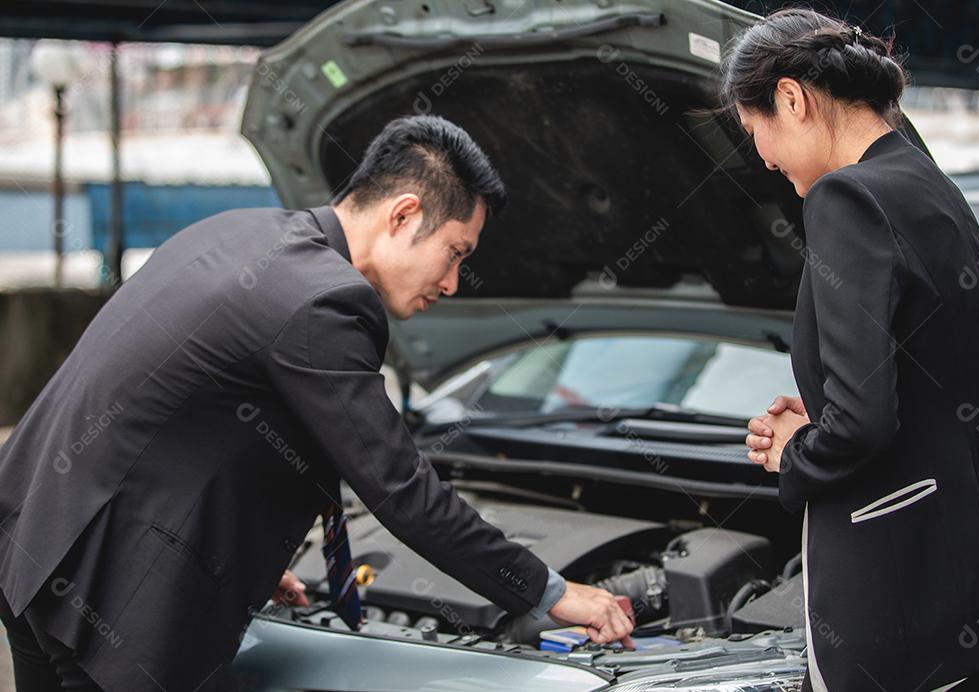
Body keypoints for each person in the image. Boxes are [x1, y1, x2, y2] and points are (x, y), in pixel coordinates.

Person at [0, 115, 634, 692]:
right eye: (455, 254)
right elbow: (401, 490)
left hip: (35, 546)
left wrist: (228, 548)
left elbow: (179, 417)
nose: (450, 283)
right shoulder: (324, 300)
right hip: (108, 596)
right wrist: (549, 592)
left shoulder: (242, 233)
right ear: (404, 214)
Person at [723, 9, 979, 692]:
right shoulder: (929, 184)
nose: (762, 158)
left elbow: (863, 425)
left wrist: (794, 448)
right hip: (971, 583)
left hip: (899, 596)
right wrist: (828, 398)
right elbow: (941, 376)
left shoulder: (844, 198)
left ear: (791, 99)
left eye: (755, 131)